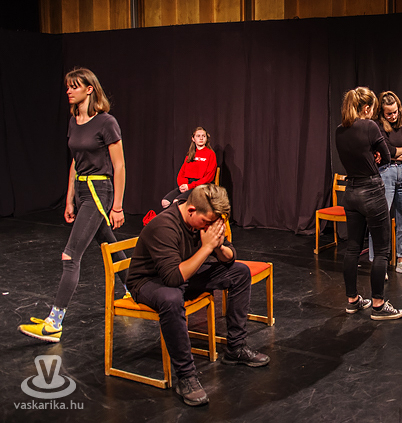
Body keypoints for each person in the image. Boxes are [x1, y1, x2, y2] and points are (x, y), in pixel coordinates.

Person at [125, 184, 270, 406]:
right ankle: (186, 376)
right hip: (149, 281)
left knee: (239, 273)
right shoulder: (164, 226)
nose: (209, 227)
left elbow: (230, 256)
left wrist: (218, 246)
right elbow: (173, 278)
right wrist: (206, 248)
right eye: (207, 222)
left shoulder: (204, 219)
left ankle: (236, 348)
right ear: (191, 210)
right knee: (172, 298)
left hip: (184, 271)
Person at [18, 68, 127, 343]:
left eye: (74, 86)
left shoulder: (106, 122)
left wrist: (117, 206)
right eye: (67, 86)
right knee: (109, 243)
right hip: (81, 190)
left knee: (70, 256)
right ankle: (135, 289)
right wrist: (69, 198)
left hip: (99, 190)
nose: (68, 91)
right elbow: (75, 163)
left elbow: (119, 165)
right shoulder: (74, 121)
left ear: (89, 89)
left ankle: (54, 323)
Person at [336, 87, 402, 320]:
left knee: (352, 248)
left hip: (351, 191)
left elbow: (353, 157)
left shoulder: (339, 130)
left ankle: (353, 301)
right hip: (372, 191)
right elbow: (386, 156)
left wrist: (370, 155)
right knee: (382, 250)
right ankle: (378, 305)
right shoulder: (370, 126)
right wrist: (375, 155)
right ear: (366, 108)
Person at [367, 91, 402, 276]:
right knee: (380, 219)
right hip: (386, 173)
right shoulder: (379, 126)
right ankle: (377, 263)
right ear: (382, 113)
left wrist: (396, 153)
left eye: (395, 112)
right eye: (389, 113)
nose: (393, 116)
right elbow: (386, 152)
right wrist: (401, 151)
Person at [161, 126, 217, 208]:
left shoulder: (210, 154)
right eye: (198, 136)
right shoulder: (190, 154)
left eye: (203, 136)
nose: (201, 138)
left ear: (206, 138)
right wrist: (183, 185)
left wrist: (190, 186)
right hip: (188, 184)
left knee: (177, 202)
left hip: (201, 186)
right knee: (165, 202)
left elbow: (209, 177)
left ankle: (181, 216)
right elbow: (182, 172)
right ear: (193, 139)